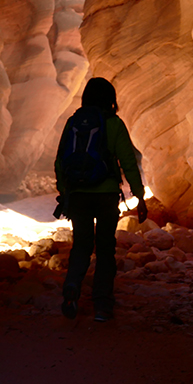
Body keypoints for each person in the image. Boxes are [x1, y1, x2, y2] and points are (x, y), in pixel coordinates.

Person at [54, 77, 147, 322]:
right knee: (105, 249)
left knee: (81, 246)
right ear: (110, 99)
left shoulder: (73, 123)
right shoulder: (114, 124)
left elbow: (60, 160)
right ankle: (102, 306)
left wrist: (65, 194)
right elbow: (128, 162)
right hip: (106, 195)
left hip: (78, 196)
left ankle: (72, 285)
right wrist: (139, 195)